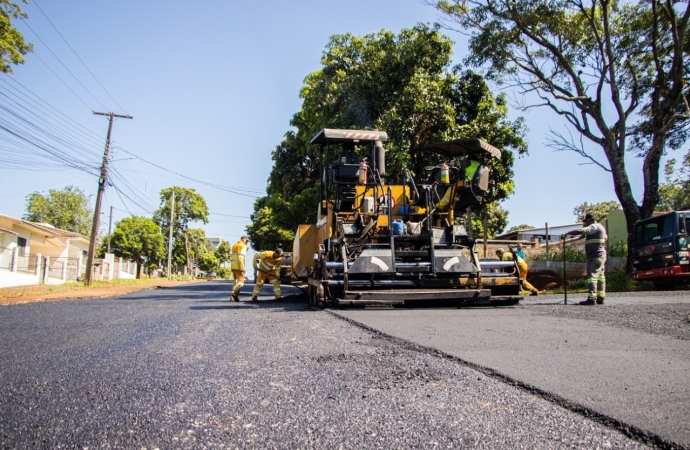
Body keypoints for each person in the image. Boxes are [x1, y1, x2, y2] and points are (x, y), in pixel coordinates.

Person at [561, 212, 608, 305]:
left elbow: (581, 230)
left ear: (589, 220)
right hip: (600, 256)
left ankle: (592, 299)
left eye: (586, 221)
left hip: (595, 256)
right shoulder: (601, 228)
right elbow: (583, 236)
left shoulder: (594, 227)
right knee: (600, 277)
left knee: (592, 277)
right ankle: (601, 297)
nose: (585, 223)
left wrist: (567, 233)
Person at [228, 235, 250, 302]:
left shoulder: (235, 245)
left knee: (236, 282)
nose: (247, 242)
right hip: (238, 266)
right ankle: (234, 294)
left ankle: (233, 296)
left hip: (233, 266)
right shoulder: (242, 246)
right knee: (241, 282)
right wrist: (242, 267)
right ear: (244, 239)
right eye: (247, 241)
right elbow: (240, 257)